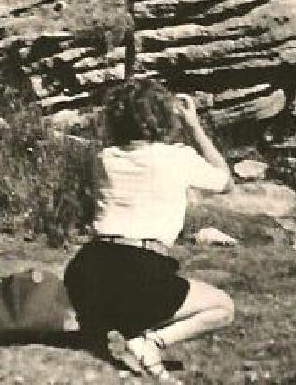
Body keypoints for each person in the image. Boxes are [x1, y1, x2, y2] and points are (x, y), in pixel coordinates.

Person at [64, 79, 235, 381]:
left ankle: (101, 328)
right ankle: (150, 344)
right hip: (138, 273)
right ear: (162, 117)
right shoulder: (177, 157)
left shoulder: (104, 158)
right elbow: (226, 181)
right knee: (223, 307)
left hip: (85, 272)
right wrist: (194, 127)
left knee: (125, 301)